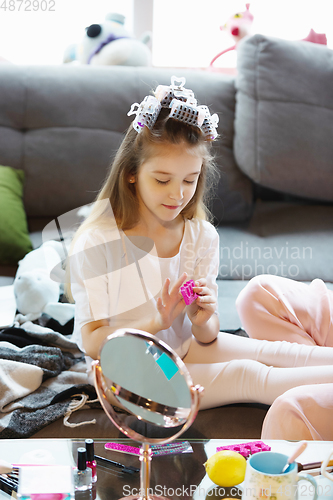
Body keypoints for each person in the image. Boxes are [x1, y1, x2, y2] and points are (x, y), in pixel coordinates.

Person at [67, 77, 333, 414]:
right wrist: (155, 321)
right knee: (248, 374)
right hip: (129, 372)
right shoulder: (98, 242)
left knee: (277, 353)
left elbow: (206, 336)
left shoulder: (200, 237)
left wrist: (203, 317)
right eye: (162, 180)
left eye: (189, 180)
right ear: (131, 173)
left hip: (181, 349)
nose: (178, 194)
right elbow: (92, 343)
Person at [236, 274, 333, 439]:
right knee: (258, 293)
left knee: (258, 294)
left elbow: (205, 332)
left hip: (184, 355)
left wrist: (201, 324)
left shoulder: (199, 250)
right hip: (180, 360)